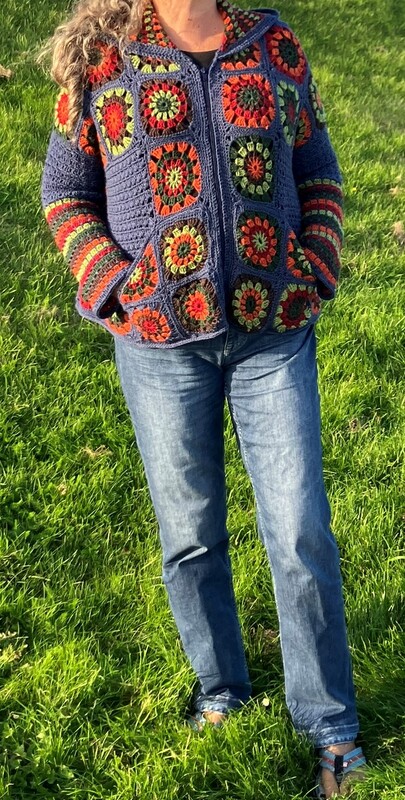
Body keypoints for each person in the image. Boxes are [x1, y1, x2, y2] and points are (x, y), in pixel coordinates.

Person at [37, 0, 367, 795]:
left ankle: (328, 722)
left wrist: (316, 261)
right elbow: (63, 192)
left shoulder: (271, 43)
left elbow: (317, 171)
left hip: (273, 329)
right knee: (188, 533)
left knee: (299, 531)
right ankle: (221, 688)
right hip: (159, 343)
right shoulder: (102, 58)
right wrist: (114, 284)